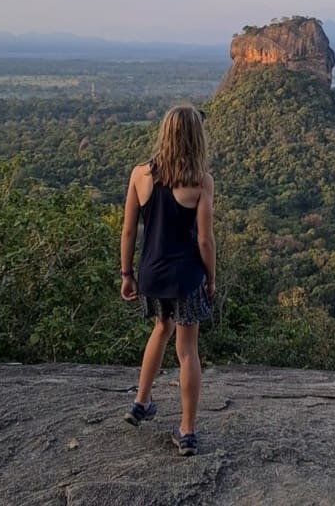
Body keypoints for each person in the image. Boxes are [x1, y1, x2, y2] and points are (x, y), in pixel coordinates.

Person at [119, 105, 215, 457]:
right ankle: (187, 431)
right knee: (187, 350)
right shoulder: (201, 181)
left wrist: (126, 274)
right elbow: (205, 240)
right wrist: (211, 279)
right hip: (187, 275)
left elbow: (129, 230)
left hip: (152, 274)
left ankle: (141, 402)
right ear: (195, 138)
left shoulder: (140, 175)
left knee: (161, 327)